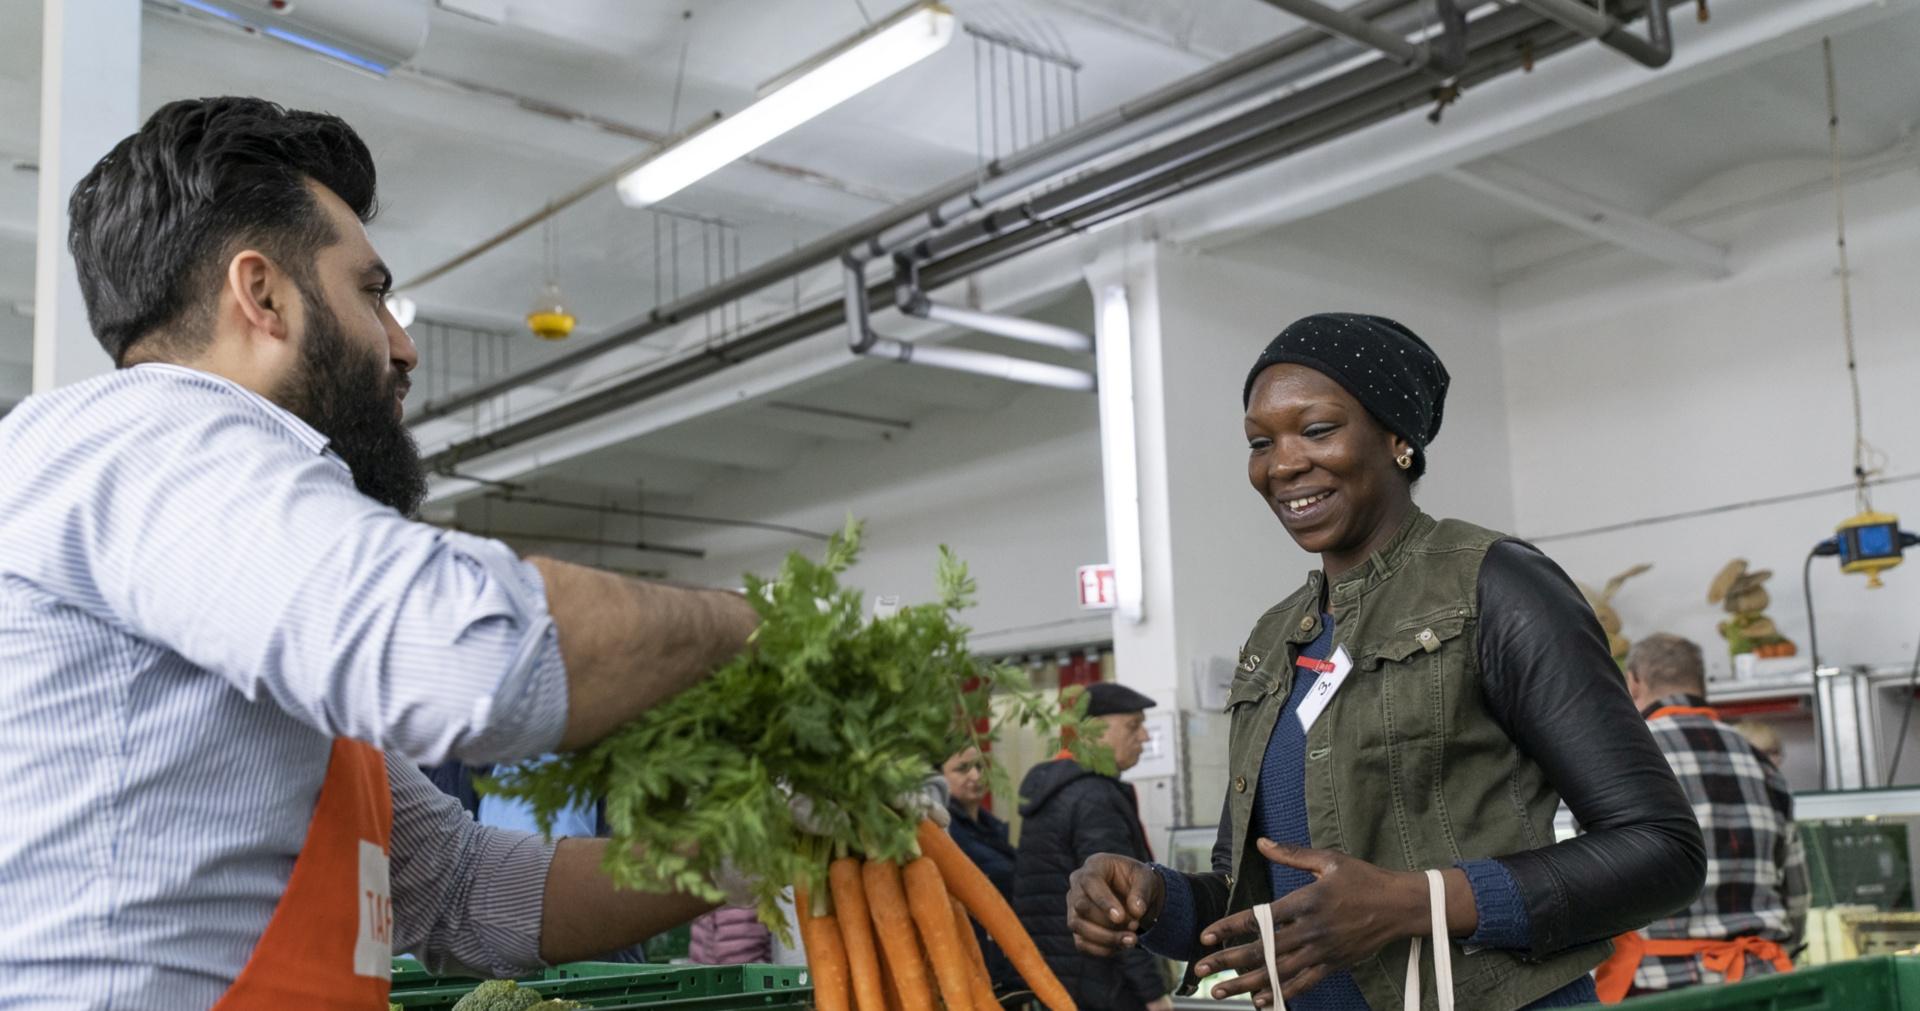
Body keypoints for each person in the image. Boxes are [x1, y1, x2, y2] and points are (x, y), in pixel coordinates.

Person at [0, 97, 762, 1007]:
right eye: (372, 294)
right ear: (263, 295)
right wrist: (757, 628)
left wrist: (744, 847)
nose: (403, 346)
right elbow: (473, 654)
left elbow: (464, 890)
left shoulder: (234, 567)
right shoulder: (152, 438)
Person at [1064, 313, 1706, 1010]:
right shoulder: (1276, 639)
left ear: (1399, 438)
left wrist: (1413, 902)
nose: (1282, 464)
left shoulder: (1495, 586)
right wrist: (1151, 899)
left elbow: (1661, 849)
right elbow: (1257, 896)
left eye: (1317, 429)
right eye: (1260, 442)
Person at [1593, 634, 1809, 1002]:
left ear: (1634, 682)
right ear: (1701, 683)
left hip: (1653, 984)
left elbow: (1595, 884)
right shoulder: (1761, 763)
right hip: (1757, 982)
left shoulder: (1619, 757)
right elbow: (1797, 893)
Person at [1013, 682, 1172, 1011]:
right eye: (1133, 726)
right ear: (1094, 730)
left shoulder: (1056, 790)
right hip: (1105, 984)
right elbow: (1119, 903)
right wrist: (1153, 994)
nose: (1144, 737)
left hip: (1059, 979)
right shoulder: (1094, 797)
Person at [944, 745, 1020, 993]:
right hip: (974, 964)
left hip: (1003, 962)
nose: (975, 775)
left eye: (979, 766)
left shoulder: (992, 827)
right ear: (938, 778)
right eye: (962, 769)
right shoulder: (945, 833)